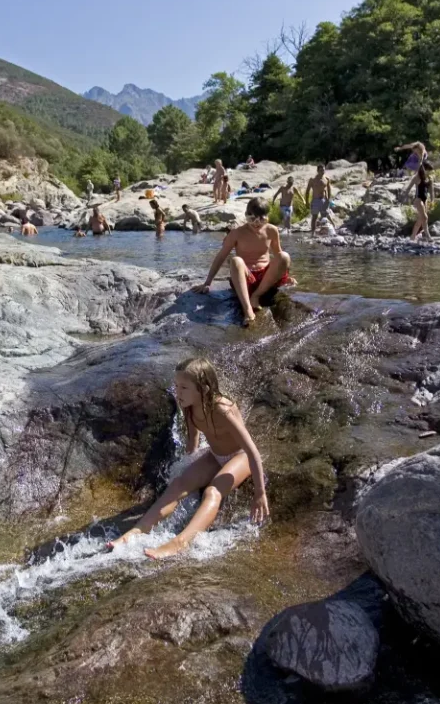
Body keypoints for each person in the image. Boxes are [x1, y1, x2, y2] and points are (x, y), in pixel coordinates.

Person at [107, 357, 270, 559]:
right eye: (176, 386)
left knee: (212, 491)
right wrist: (189, 470)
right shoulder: (189, 407)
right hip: (214, 455)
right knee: (179, 484)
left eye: (184, 387)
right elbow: (193, 438)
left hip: (240, 456)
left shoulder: (223, 409)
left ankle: (180, 542)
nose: (178, 392)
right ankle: (137, 531)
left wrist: (259, 493)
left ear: (204, 389)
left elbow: (252, 450)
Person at [194, 197, 292, 327]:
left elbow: (278, 255)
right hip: (245, 279)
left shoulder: (271, 230)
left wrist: (287, 276)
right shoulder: (236, 233)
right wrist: (207, 282)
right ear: (246, 216)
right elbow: (221, 256)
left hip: (265, 279)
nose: (256, 224)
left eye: (261, 220)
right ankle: (248, 310)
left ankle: (256, 296)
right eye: (252, 219)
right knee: (235, 260)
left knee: (284, 256)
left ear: (267, 217)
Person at [410, 160, 435, 241]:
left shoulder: (430, 179)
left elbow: (431, 191)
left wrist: (432, 200)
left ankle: (412, 237)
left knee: (421, 219)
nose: (429, 173)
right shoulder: (418, 177)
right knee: (425, 217)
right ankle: (428, 236)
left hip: (425, 199)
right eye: (428, 171)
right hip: (418, 199)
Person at [306, 165, 333, 236]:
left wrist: (328, 199)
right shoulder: (312, 179)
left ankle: (325, 232)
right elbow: (307, 191)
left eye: (323, 170)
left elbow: (329, 189)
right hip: (315, 200)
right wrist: (307, 202)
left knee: (324, 217)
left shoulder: (326, 179)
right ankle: (313, 233)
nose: (322, 172)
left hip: (323, 200)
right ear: (317, 171)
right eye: (321, 170)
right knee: (314, 217)